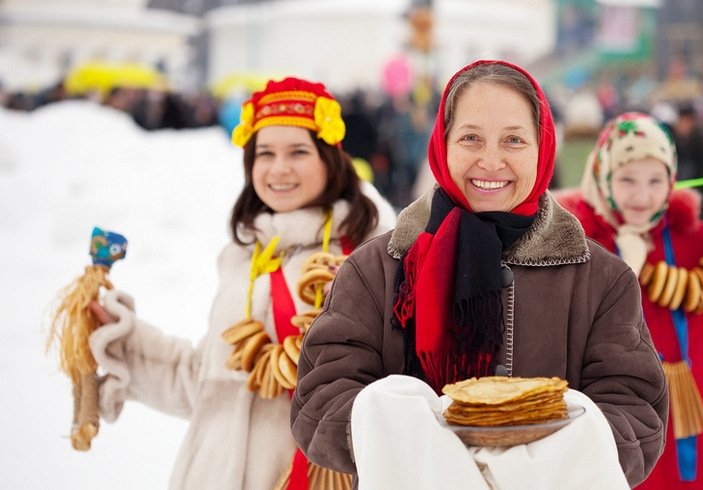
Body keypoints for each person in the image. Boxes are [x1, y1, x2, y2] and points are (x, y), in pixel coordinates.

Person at [291, 59, 668, 488]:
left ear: (542, 149)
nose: (491, 161)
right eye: (471, 138)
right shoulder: (376, 268)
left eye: (513, 140)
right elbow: (319, 402)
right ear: (442, 144)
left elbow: (636, 412)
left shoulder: (602, 280)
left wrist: (537, 456)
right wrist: (411, 438)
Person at [86, 77, 397, 489]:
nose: (278, 169)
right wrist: (123, 338)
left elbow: (389, 390)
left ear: (330, 159)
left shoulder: (370, 256)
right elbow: (204, 382)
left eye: (298, 152)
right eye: (264, 153)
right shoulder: (243, 257)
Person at [555, 112, 703, 489]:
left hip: (699, 445)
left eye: (655, 181)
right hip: (614, 442)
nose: (642, 195)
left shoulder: (697, 243)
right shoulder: (579, 246)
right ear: (603, 178)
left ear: (672, 181)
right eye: (627, 179)